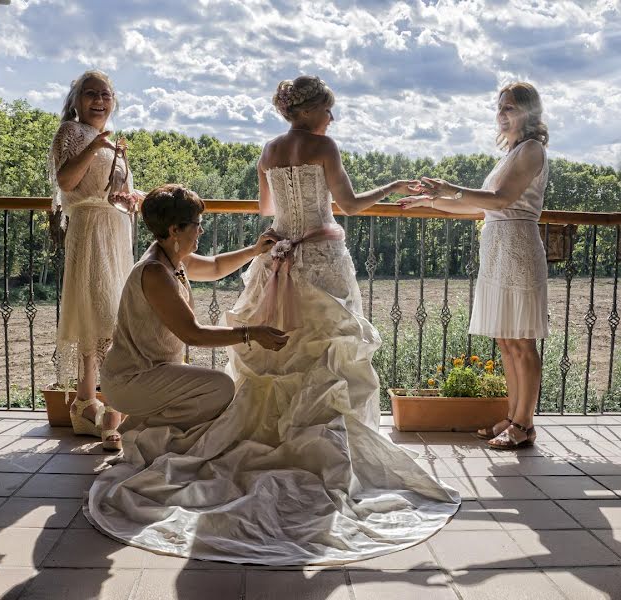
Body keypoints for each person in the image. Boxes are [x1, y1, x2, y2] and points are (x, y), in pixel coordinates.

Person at [85, 77, 460, 565]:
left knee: (278, 362)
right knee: (327, 355)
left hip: (279, 254)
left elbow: (266, 209)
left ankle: (271, 436)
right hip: (321, 260)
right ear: (311, 113)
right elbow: (349, 205)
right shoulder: (323, 145)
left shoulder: (269, 148)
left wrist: (276, 232)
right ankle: (322, 445)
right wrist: (393, 187)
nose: (333, 118)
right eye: (330, 109)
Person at [399, 81, 549, 450]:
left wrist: (449, 187)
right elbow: (478, 207)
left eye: (510, 107)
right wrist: (431, 203)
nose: (502, 114)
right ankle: (513, 417)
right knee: (505, 339)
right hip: (497, 248)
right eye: (500, 107)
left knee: (522, 341)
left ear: (529, 112)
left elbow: (501, 199)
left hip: (517, 248)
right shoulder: (509, 154)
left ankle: (524, 426)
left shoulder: (531, 150)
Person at [99, 184, 288, 460]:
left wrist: (255, 250)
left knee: (215, 388)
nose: (200, 230)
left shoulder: (173, 258)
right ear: (175, 230)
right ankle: (141, 435)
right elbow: (193, 335)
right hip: (131, 379)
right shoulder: (155, 272)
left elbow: (214, 267)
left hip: (152, 371)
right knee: (220, 388)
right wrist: (253, 333)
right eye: (196, 224)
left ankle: (138, 425)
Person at [49, 70, 141, 450]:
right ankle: (112, 411)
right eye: (91, 94)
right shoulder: (71, 132)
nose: (100, 100)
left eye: (106, 94)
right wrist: (97, 146)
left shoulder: (111, 142)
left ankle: (86, 404)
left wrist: (133, 199)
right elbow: (66, 182)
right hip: (89, 232)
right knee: (101, 316)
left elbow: (116, 192)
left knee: (109, 315)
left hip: (115, 232)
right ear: (77, 100)